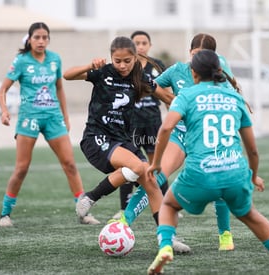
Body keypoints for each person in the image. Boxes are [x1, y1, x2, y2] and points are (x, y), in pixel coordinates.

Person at [147, 49, 269, 274]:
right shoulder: (235, 97)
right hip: (234, 174)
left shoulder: (186, 95)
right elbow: (253, 150)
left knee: (168, 204)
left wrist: (156, 162)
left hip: (200, 174)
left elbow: (167, 127)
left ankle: (166, 247)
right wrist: (253, 175)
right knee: (250, 215)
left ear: (193, 73)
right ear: (219, 70)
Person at [63, 36, 188, 253]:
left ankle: (166, 240)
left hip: (122, 141)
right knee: (139, 167)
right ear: (111, 57)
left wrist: (188, 105)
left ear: (135, 58)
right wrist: (90, 66)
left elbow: (166, 97)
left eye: (127, 61)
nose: (122, 65)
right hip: (96, 137)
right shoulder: (103, 72)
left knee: (151, 181)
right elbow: (67, 75)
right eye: (117, 60)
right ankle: (92, 196)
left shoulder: (139, 77)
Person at [118, 33, 241, 251]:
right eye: (195, 55)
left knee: (219, 183)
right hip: (182, 134)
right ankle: (124, 221)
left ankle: (225, 234)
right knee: (155, 177)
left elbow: (232, 96)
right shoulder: (177, 71)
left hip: (208, 138)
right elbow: (152, 86)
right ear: (189, 53)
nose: (199, 61)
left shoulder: (220, 67)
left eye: (204, 56)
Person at [0, 22, 99, 227]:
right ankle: (5, 214)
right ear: (30, 39)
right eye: (37, 37)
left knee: (70, 164)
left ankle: (83, 212)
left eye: (45, 37)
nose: (41, 41)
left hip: (53, 118)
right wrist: (5, 111)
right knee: (22, 167)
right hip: (29, 118)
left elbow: (60, 88)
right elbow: (3, 90)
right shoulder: (21, 61)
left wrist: (66, 116)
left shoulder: (54, 59)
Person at [112, 30, 168, 221]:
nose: (142, 46)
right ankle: (125, 207)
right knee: (130, 164)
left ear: (149, 45)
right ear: (133, 48)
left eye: (145, 42)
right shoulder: (126, 66)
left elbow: (165, 92)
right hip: (132, 124)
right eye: (138, 43)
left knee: (156, 165)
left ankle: (164, 204)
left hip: (153, 122)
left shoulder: (157, 65)